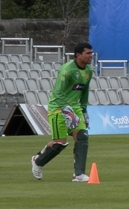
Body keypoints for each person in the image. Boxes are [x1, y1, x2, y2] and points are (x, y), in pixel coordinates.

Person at [30, 43, 94, 181]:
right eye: (88, 53)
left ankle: (78, 174)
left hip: (75, 107)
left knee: (82, 137)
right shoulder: (67, 71)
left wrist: (84, 111)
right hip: (58, 107)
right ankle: (38, 161)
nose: (91, 56)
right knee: (59, 142)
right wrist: (65, 111)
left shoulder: (89, 71)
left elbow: (84, 92)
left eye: (91, 53)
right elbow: (58, 93)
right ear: (78, 55)